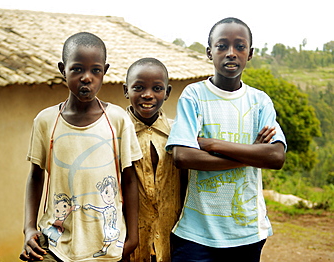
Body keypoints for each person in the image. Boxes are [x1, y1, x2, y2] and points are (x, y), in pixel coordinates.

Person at [165, 17, 287, 262]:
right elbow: (183, 156)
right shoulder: (194, 95)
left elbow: (275, 156)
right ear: (209, 52)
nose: (231, 53)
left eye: (239, 46)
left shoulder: (259, 101)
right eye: (222, 46)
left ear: (250, 53)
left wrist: (211, 144)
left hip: (247, 231)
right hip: (196, 233)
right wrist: (251, 154)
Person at [19, 32, 142, 262]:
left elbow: (130, 178)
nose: (87, 77)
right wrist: (28, 228)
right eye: (77, 69)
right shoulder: (46, 121)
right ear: (62, 69)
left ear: (104, 71)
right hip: (54, 244)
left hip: (106, 246)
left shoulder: (117, 120)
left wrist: (132, 236)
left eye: (95, 70)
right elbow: (36, 178)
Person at [123, 58, 186, 262]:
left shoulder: (179, 133)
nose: (148, 95)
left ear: (167, 92)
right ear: (126, 90)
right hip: (128, 244)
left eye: (157, 88)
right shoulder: (115, 134)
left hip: (173, 241)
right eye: (139, 87)